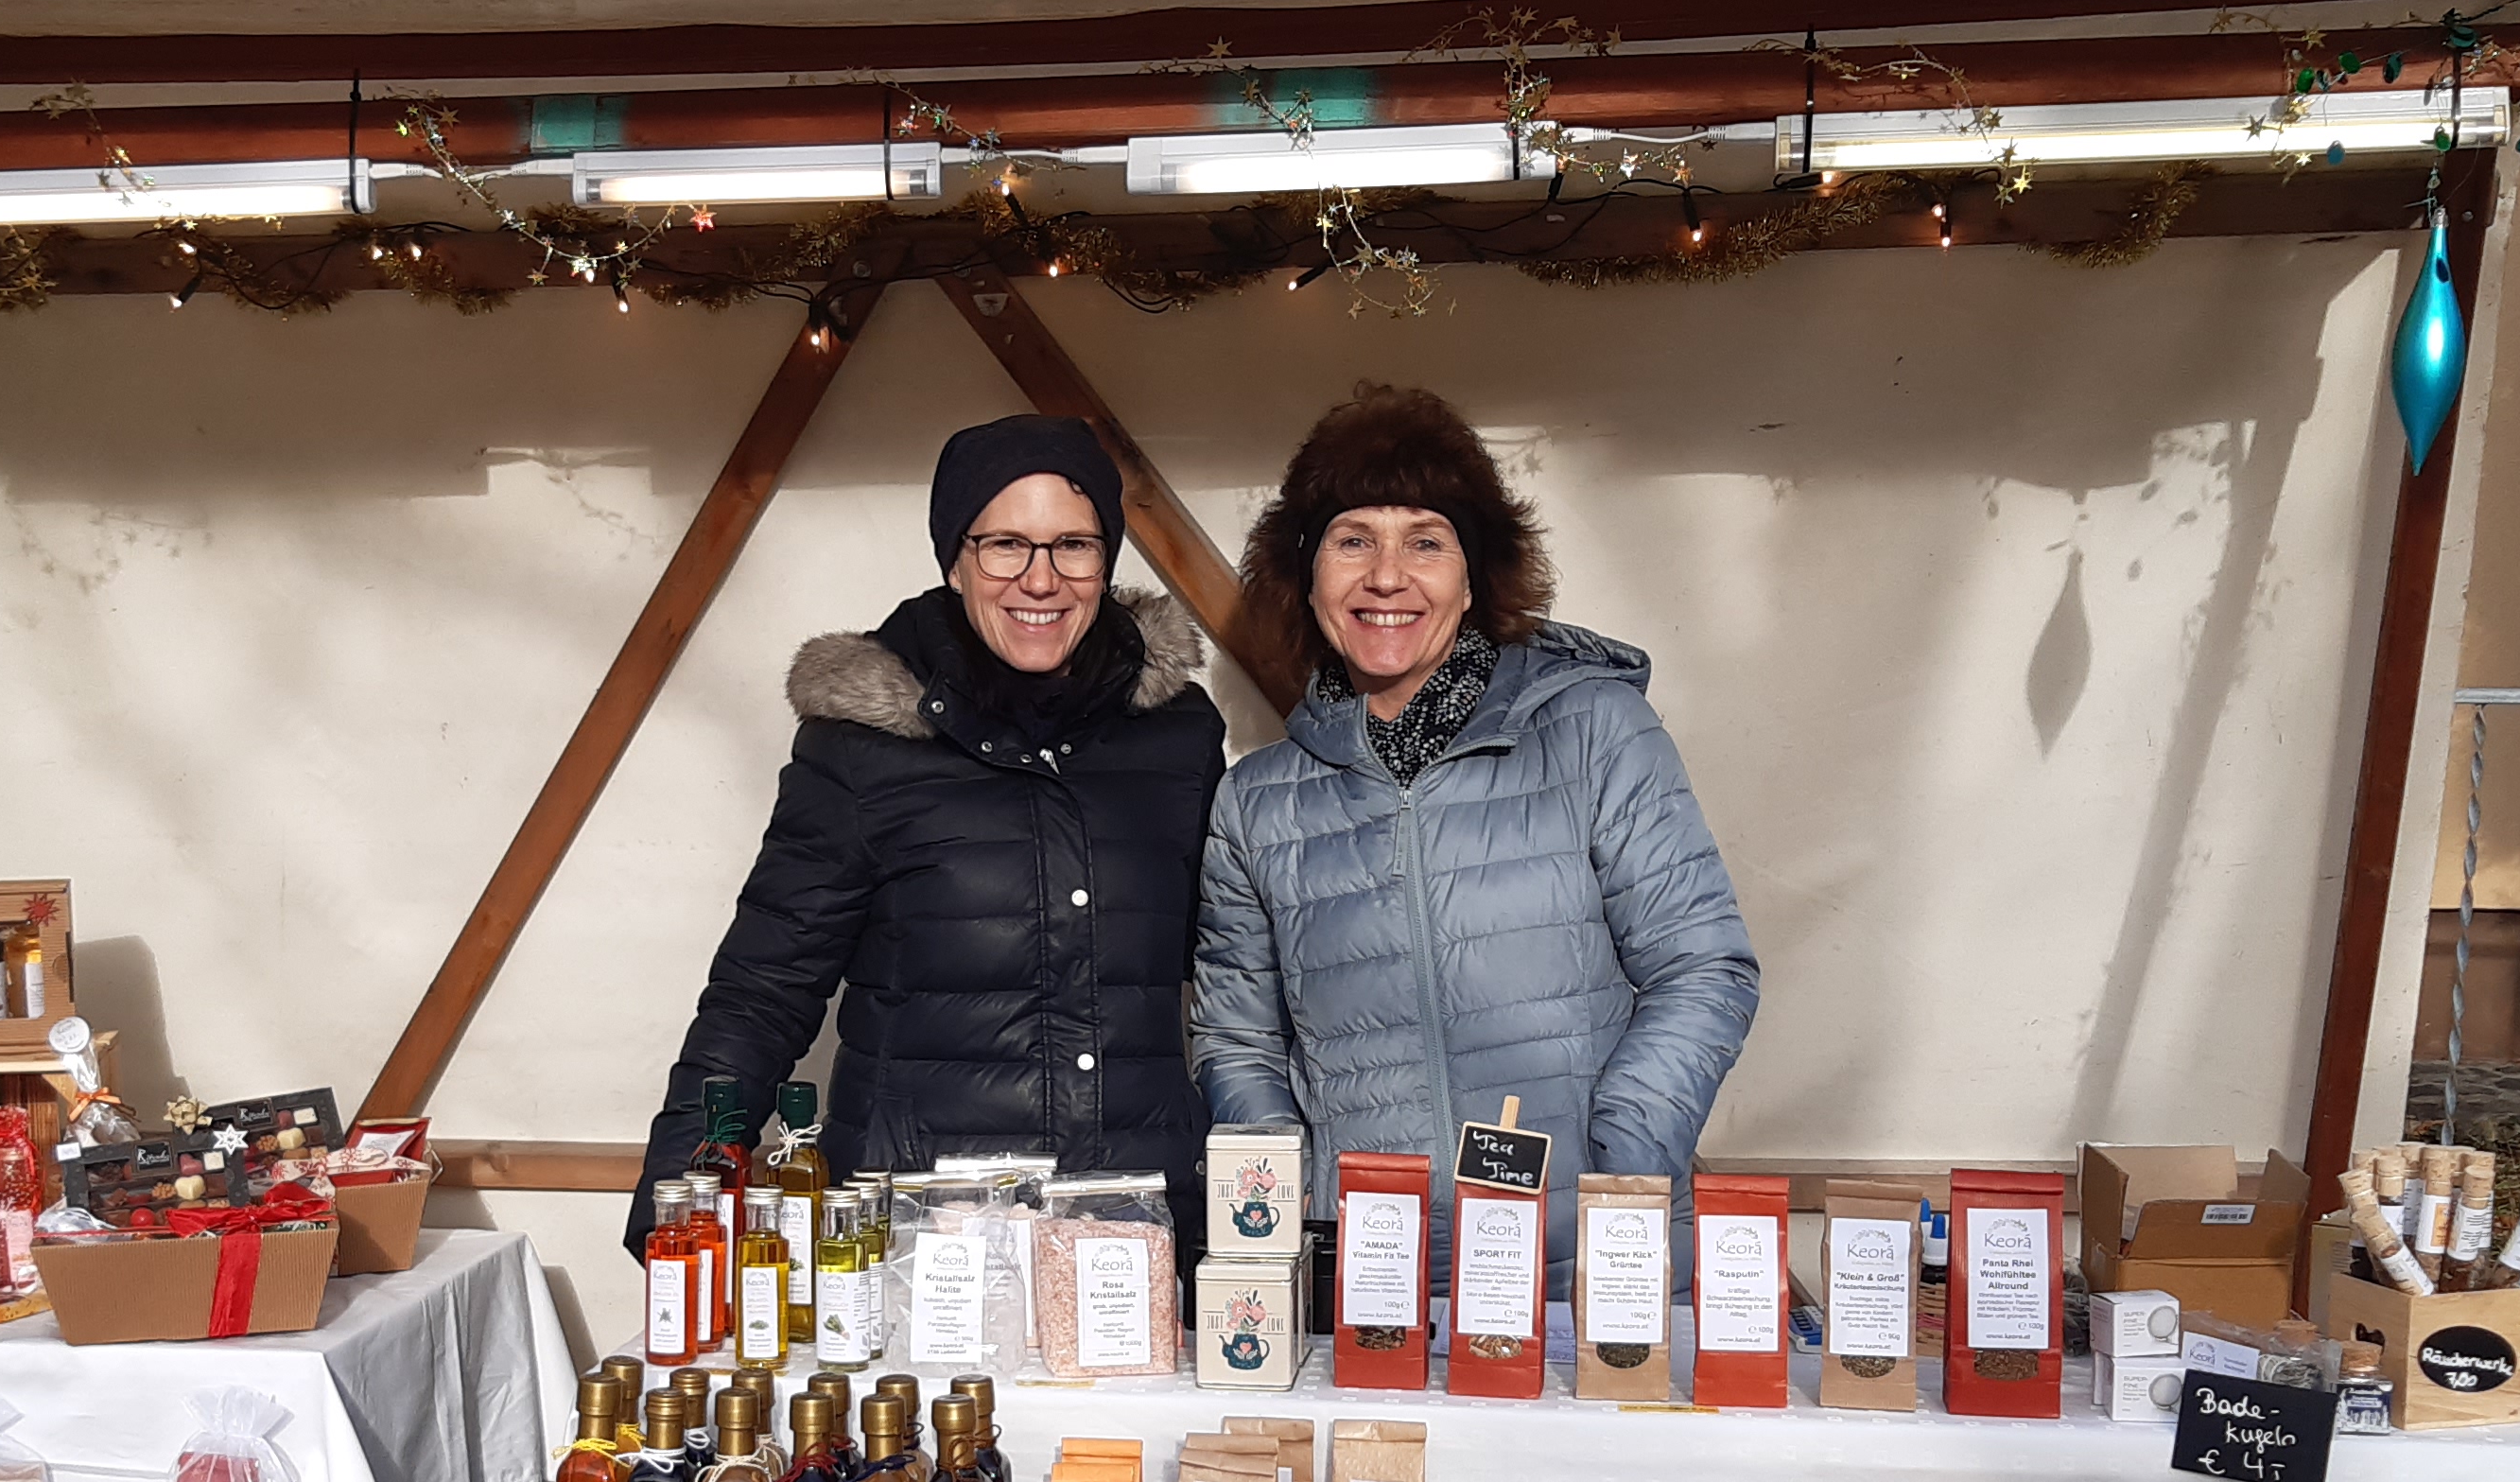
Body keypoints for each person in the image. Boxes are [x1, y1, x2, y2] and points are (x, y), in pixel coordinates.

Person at [1190, 383, 1756, 1261]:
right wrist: (1294, 1202)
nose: (1387, 576)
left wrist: (1624, 1157)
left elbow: (1703, 969)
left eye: (1426, 541)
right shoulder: (1257, 801)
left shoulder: (1596, 731)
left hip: (1591, 1261)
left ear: (1473, 574)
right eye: (1352, 540)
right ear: (1305, 574)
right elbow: (1238, 1039)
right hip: (1375, 1277)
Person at [635, 411, 1228, 1246]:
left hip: (1130, 1223)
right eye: (1005, 545)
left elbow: (1242, 974)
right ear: (956, 559)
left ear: (1105, 561)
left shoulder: (1177, 737)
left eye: (1073, 545)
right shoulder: (863, 749)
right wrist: (681, 1200)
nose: (1040, 579)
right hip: (923, 1230)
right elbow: (764, 988)